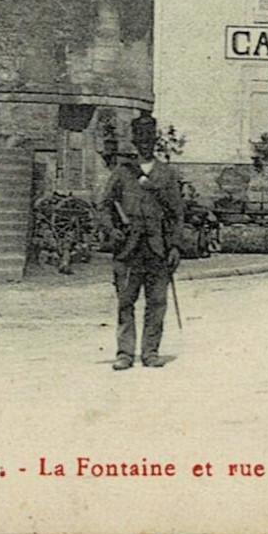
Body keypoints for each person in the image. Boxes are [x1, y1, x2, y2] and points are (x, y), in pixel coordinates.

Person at [96, 114, 184, 370]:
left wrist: (176, 245)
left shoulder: (166, 174)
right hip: (128, 248)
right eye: (141, 139)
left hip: (158, 248)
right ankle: (125, 353)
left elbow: (178, 213)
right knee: (125, 301)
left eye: (150, 139)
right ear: (134, 142)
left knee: (157, 303)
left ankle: (150, 352)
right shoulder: (122, 173)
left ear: (155, 141)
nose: (145, 144)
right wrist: (113, 232)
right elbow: (102, 206)